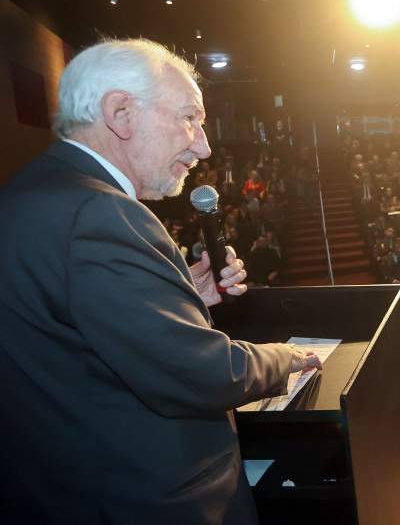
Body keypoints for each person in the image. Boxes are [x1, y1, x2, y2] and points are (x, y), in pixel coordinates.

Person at [0, 39, 322, 524]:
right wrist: (284, 358)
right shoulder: (100, 212)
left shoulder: (31, 191)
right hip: (139, 501)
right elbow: (199, 374)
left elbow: (76, 339)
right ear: (121, 113)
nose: (203, 147)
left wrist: (182, 296)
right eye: (189, 118)